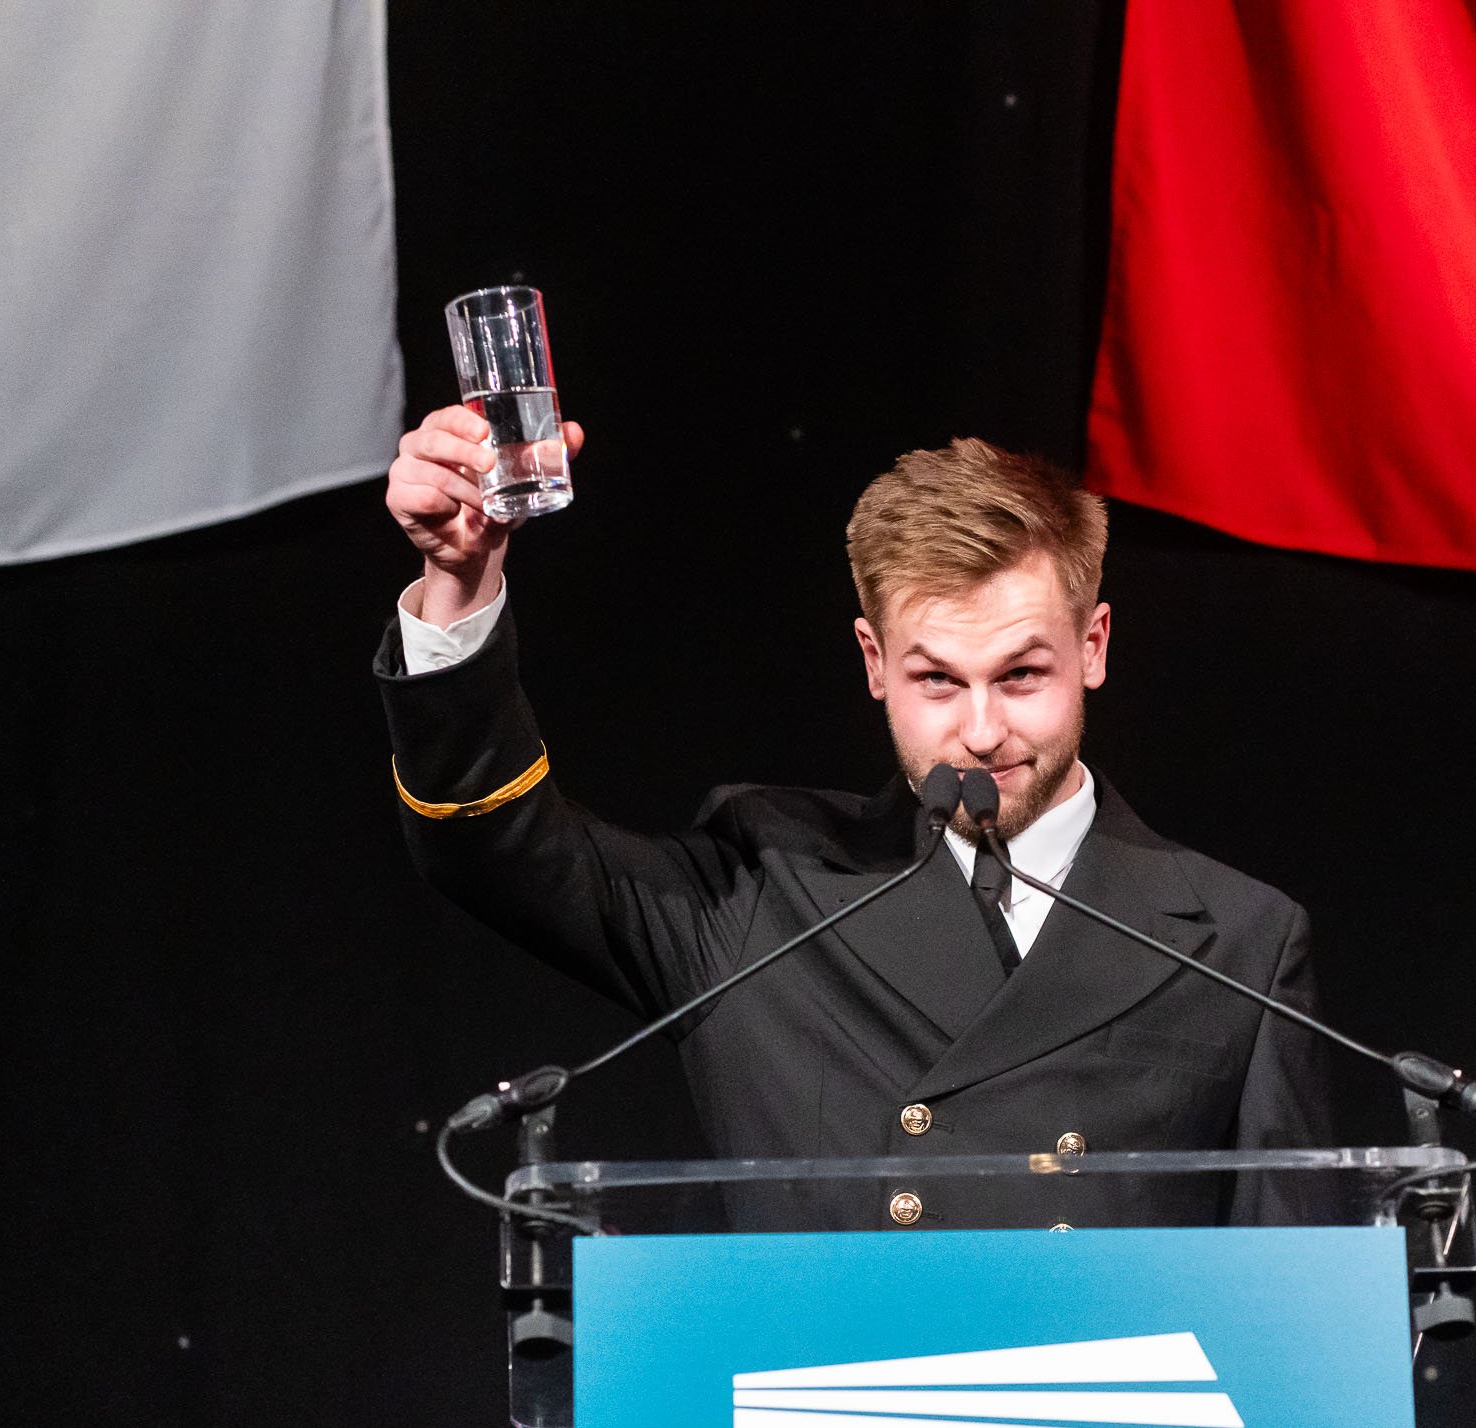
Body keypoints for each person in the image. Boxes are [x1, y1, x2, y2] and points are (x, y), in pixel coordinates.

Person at [376, 405, 1341, 1228]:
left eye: (1021, 675)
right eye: (937, 681)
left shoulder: (1239, 942)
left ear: (1092, 646)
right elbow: (492, 850)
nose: (982, 732)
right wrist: (460, 584)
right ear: (875, 663)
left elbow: (1292, 1302)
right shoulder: (763, 887)